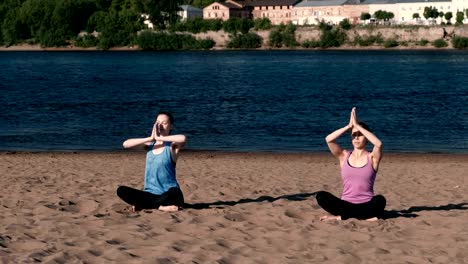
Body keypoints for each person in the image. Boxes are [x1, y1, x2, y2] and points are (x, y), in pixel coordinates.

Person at [315, 107, 386, 221]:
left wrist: (358, 126)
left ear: (366, 138)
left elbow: (379, 144)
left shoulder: (372, 158)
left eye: (360, 134)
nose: (356, 137)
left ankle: (343, 217)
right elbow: (328, 139)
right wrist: (348, 126)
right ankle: (362, 217)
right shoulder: (344, 156)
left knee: (380, 200)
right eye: (354, 135)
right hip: (345, 205)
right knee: (321, 196)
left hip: (366, 204)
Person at [117, 111, 187, 212]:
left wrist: (160, 137)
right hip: (150, 193)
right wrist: (151, 137)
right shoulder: (149, 145)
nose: (160, 125)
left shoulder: (172, 146)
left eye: (164, 123)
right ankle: (159, 206)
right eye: (158, 122)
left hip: (169, 194)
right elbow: (126, 144)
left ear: (171, 126)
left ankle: (145, 204)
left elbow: (183, 138)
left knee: (174, 192)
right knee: (121, 190)